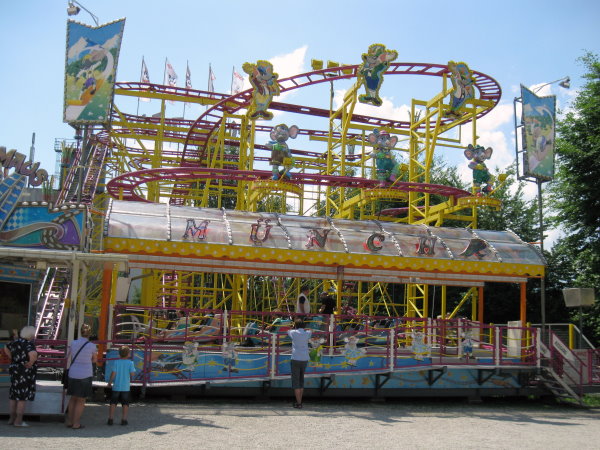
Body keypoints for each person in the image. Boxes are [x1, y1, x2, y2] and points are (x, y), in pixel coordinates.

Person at [4, 325, 38, 427]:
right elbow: (33, 354)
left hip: (14, 369)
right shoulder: (29, 344)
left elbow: (6, 347)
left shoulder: (15, 342)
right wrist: (31, 363)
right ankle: (18, 420)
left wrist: (12, 357)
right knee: (22, 397)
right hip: (25, 371)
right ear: (31, 335)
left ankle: (11, 418)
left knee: (13, 395)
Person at [66, 323, 98, 430]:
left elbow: (68, 356)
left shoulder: (73, 343)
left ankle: (70, 421)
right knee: (81, 400)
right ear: (90, 333)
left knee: (73, 398)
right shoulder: (92, 346)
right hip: (85, 373)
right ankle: (76, 423)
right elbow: (94, 360)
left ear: (80, 332)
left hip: (73, 372)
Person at [107, 345, 136, 426]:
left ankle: (110, 419)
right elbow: (132, 374)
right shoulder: (130, 363)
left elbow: (113, 373)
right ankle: (124, 419)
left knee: (113, 402)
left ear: (119, 354)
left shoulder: (116, 362)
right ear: (128, 354)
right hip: (125, 387)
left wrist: (110, 382)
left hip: (116, 386)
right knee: (125, 403)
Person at [287, 317, 312, 409]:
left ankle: (299, 403)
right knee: (301, 380)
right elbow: (310, 330)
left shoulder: (293, 332)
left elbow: (288, 331)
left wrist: (293, 327)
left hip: (295, 357)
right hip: (304, 358)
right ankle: (299, 401)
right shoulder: (307, 333)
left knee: (296, 381)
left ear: (295, 325)